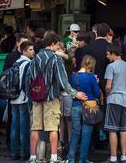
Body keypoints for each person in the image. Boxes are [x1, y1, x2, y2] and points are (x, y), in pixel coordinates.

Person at [29, 31, 87, 163]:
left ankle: (33, 157)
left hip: (36, 98)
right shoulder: (56, 59)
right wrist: (75, 93)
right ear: (53, 44)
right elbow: (62, 80)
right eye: (56, 45)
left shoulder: (35, 58)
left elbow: (29, 79)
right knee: (53, 128)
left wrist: (31, 95)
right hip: (51, 97)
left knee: (35, 127)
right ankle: (54, 157)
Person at [68, 54, 101, 163]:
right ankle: (83, 159)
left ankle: (71, 158)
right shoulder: (91, 77)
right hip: (89, 107)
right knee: (86, 134)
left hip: (75, 106)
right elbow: (97, 94)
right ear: (92, 65)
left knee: (75, 132)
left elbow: (70, 91)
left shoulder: (73, 76)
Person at [105, 43, 126, 163]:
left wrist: (106, 92)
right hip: (125, 100)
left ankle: (113, 157)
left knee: (112, 130)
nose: (107, 57)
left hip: (114, 99)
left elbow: (108, 86)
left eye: (107, 54)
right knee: (123, 130)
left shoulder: (111, 67)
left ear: (112, 53)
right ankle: (124, 157)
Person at [8, 40, 34, 161]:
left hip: (13, 98)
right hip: (23, 98)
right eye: (30, 50)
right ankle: (24, 152)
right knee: (24, 127)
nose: (33, 52)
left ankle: (14, 152)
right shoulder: (28, 63)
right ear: (24, 51)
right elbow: (26, 82)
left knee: (14, 127)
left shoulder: (16, 62)